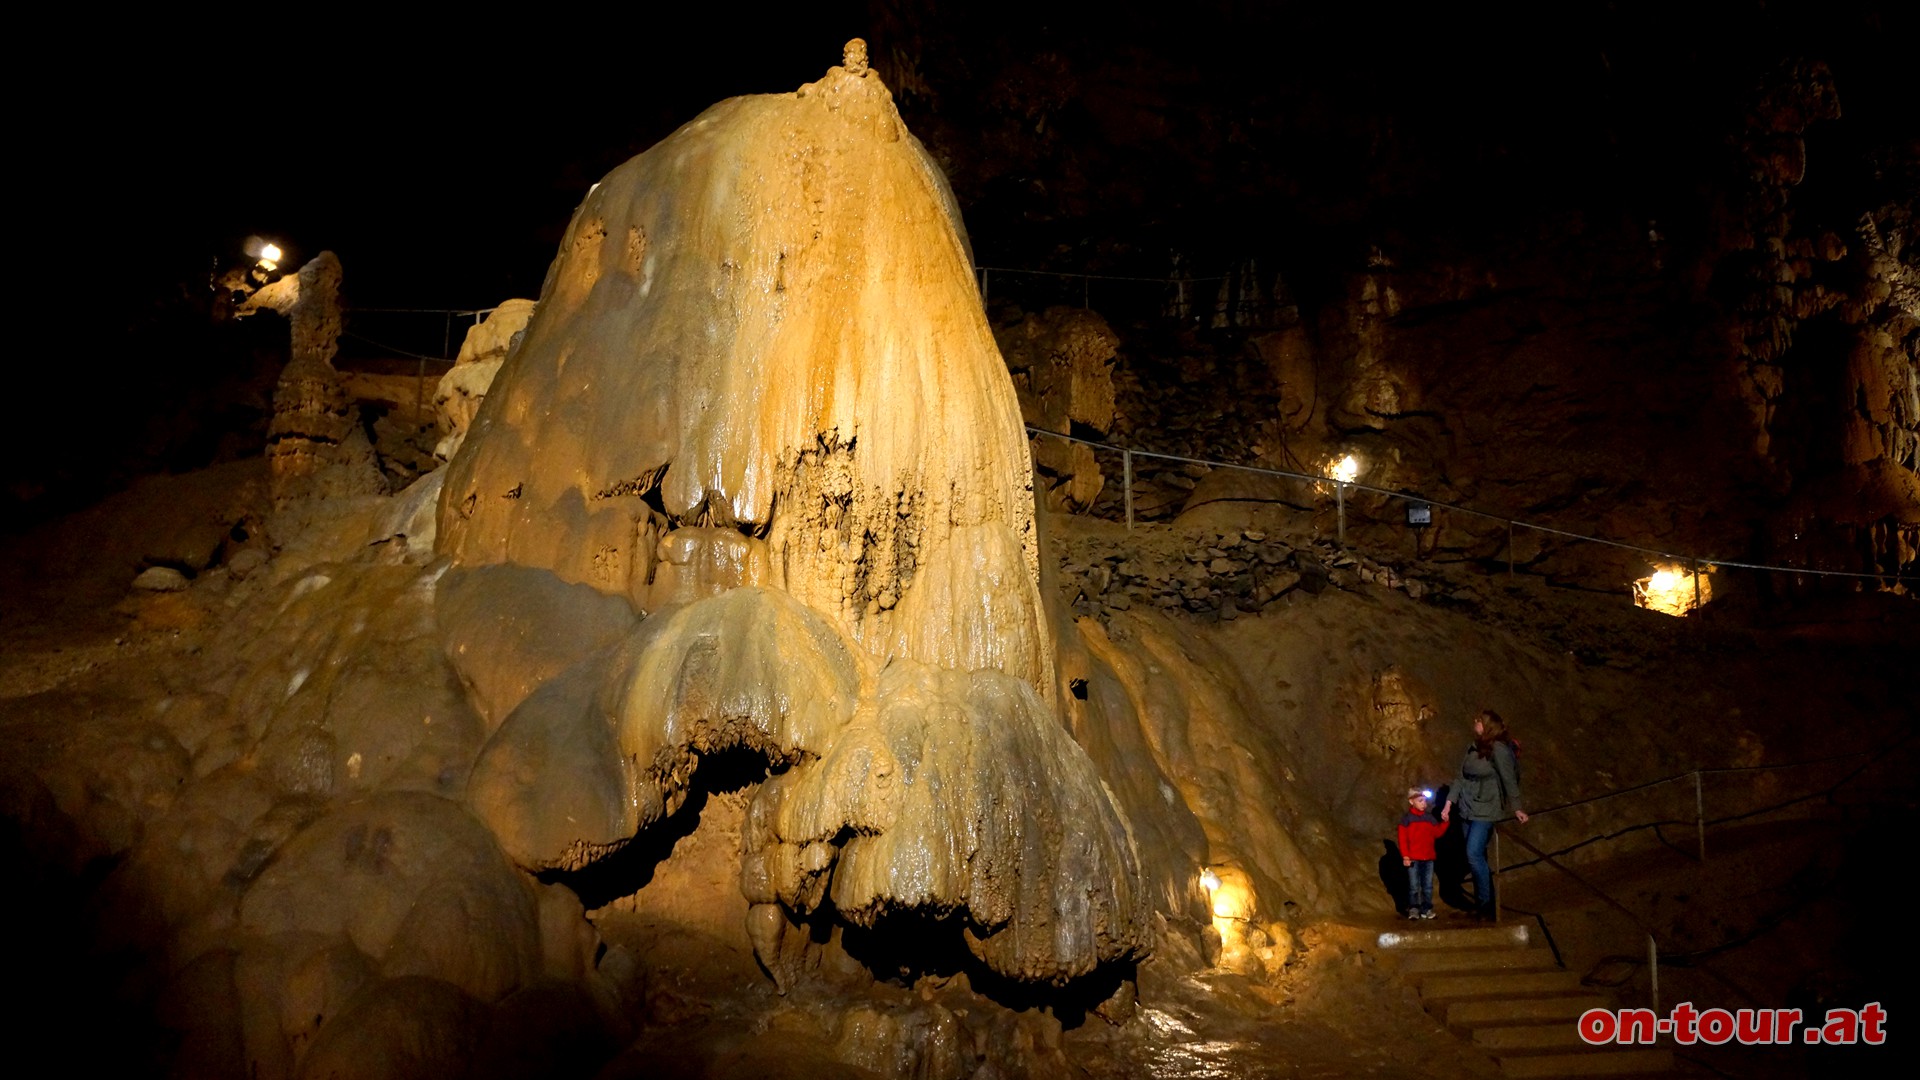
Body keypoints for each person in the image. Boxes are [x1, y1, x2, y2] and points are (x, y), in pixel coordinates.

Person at [1441, 710, 1528, 920]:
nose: (1475, 722)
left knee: (1473, 854)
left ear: (1487, 725)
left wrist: (1516, 807)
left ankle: (1485, 903)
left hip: (1486, 810)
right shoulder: (1472, 748)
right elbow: (1460, 778)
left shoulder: (1498, 749)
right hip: (1468, 809)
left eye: (1479, 720)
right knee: (1477, 855)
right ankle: (1488, 899)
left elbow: (1509, 779)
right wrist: (1448, 803)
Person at [1397, 787, 1444, 919]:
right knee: (1413, 886)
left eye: (1424, 801)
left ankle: (1426, 908)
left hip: (1428, 858)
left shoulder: (1429, 818)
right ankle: (1413, 908)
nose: (1424, 803)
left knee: (1428, 886)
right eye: (1420, 800)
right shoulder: (1407, 819)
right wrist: (1405, 856)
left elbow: (1437, 833)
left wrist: (1445, 822)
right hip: (1413, 858)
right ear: (1411, 802)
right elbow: (1402, 839)